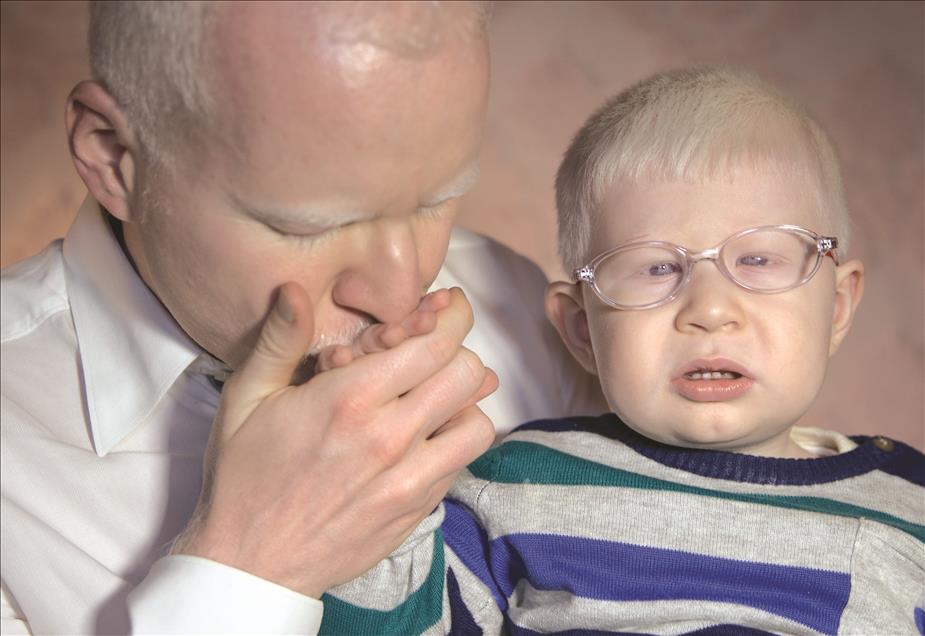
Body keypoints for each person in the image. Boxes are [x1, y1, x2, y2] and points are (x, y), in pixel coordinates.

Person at [0, 2, 605, 634]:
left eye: (440, 198)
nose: (402, 293)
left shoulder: (516, 301)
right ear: (112, 155)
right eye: (311, 226)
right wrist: (255, 565)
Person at [317, 66, 925, 634]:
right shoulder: (517, 486)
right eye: (657, 268)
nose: (711, 310)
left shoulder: (909, 501)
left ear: (838, 308)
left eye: (759, 259)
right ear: (582, 330)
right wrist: (389, 473)